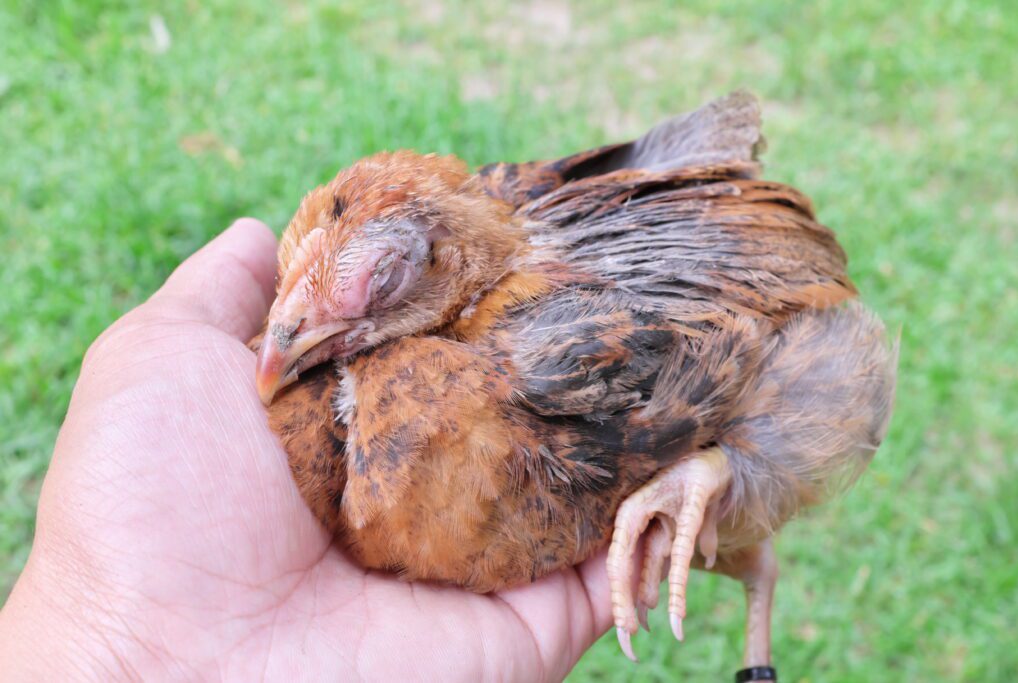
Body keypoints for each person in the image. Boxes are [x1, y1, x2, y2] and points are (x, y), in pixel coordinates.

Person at [0, 219, 618, 680]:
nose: (281, 340)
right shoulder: (307, 401)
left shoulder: (571, 347)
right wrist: (113, 638)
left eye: (383, 283)